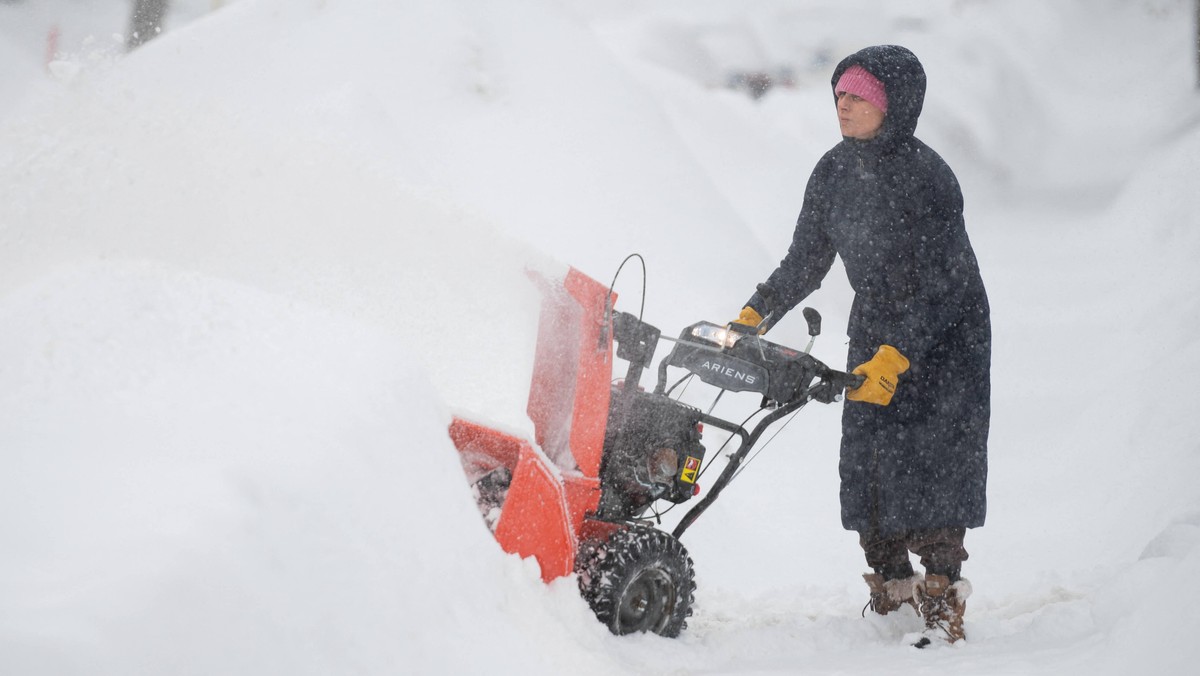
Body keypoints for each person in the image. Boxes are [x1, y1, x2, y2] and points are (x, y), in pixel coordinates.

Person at [731, 45, 990, 646]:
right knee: (870, 461)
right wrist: (755, 313)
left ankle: (942, 596)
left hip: (947, 334)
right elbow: (806, 259)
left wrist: (900, 355)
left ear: (892, 106)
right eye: (839, 95)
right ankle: (894, 589)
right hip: (875, 325)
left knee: (932, 465)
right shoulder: (833, 171)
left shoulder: (930, 179)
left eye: (857, 97)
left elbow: (944, 284)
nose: (842, 106)